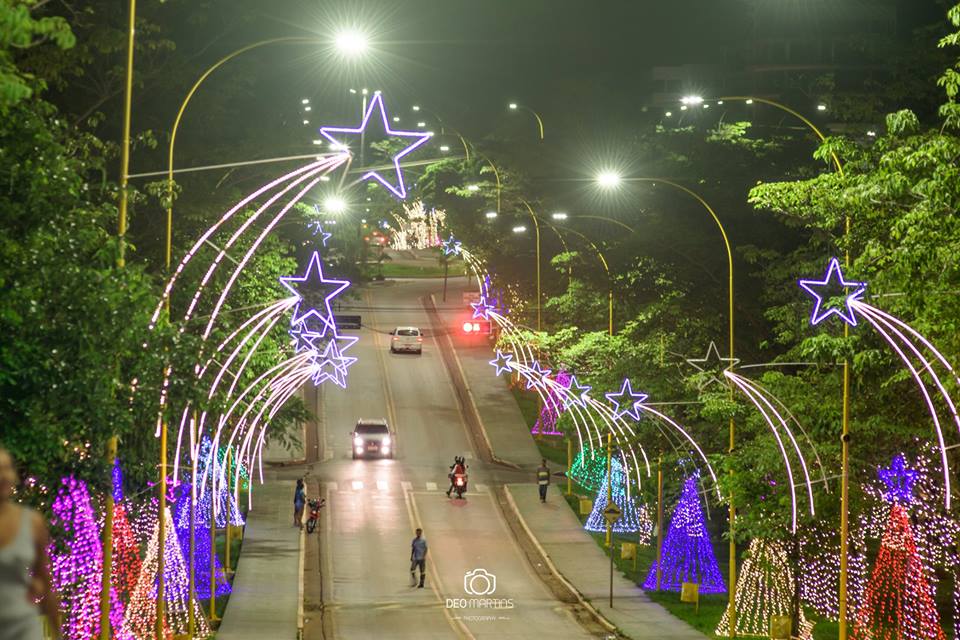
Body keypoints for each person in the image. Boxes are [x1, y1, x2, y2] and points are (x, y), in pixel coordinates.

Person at [0, 446, 60, 640]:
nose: (4, 476)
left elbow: (45, 580)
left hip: (24, 628)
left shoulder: (32, 522)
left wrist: (58, 635)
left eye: (7, 468)